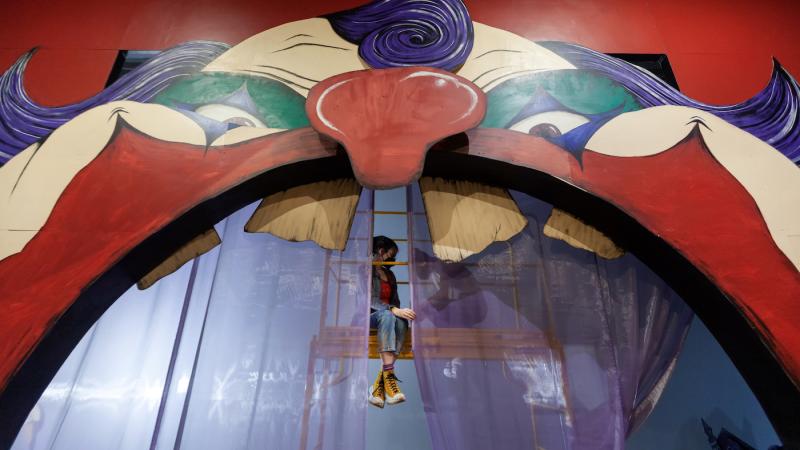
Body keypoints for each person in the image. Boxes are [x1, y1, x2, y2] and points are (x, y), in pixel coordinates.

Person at [368, 235, 416, 408]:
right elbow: (369, 300)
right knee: (388, 315)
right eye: (391, 255)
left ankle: (380, 383)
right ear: (381, 251)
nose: (393, 260)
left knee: (402, 322)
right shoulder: (366, 270)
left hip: (387, 316)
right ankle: (389, 379)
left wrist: (400, 312)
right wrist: (393, 310)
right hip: (368, 317)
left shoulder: (390, 274)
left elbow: (394, 302)